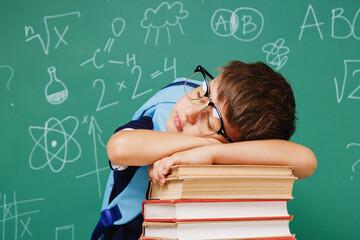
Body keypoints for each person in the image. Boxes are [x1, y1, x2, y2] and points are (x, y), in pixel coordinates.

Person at [92, 61, 317, 240]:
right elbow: (119, 147)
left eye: (210, 122)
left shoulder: (229, 146)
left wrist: (213, 154)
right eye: (202, 92)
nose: (190, 111)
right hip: (128, 232)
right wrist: (205, 142)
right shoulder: (160, 117)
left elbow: (306, 161)